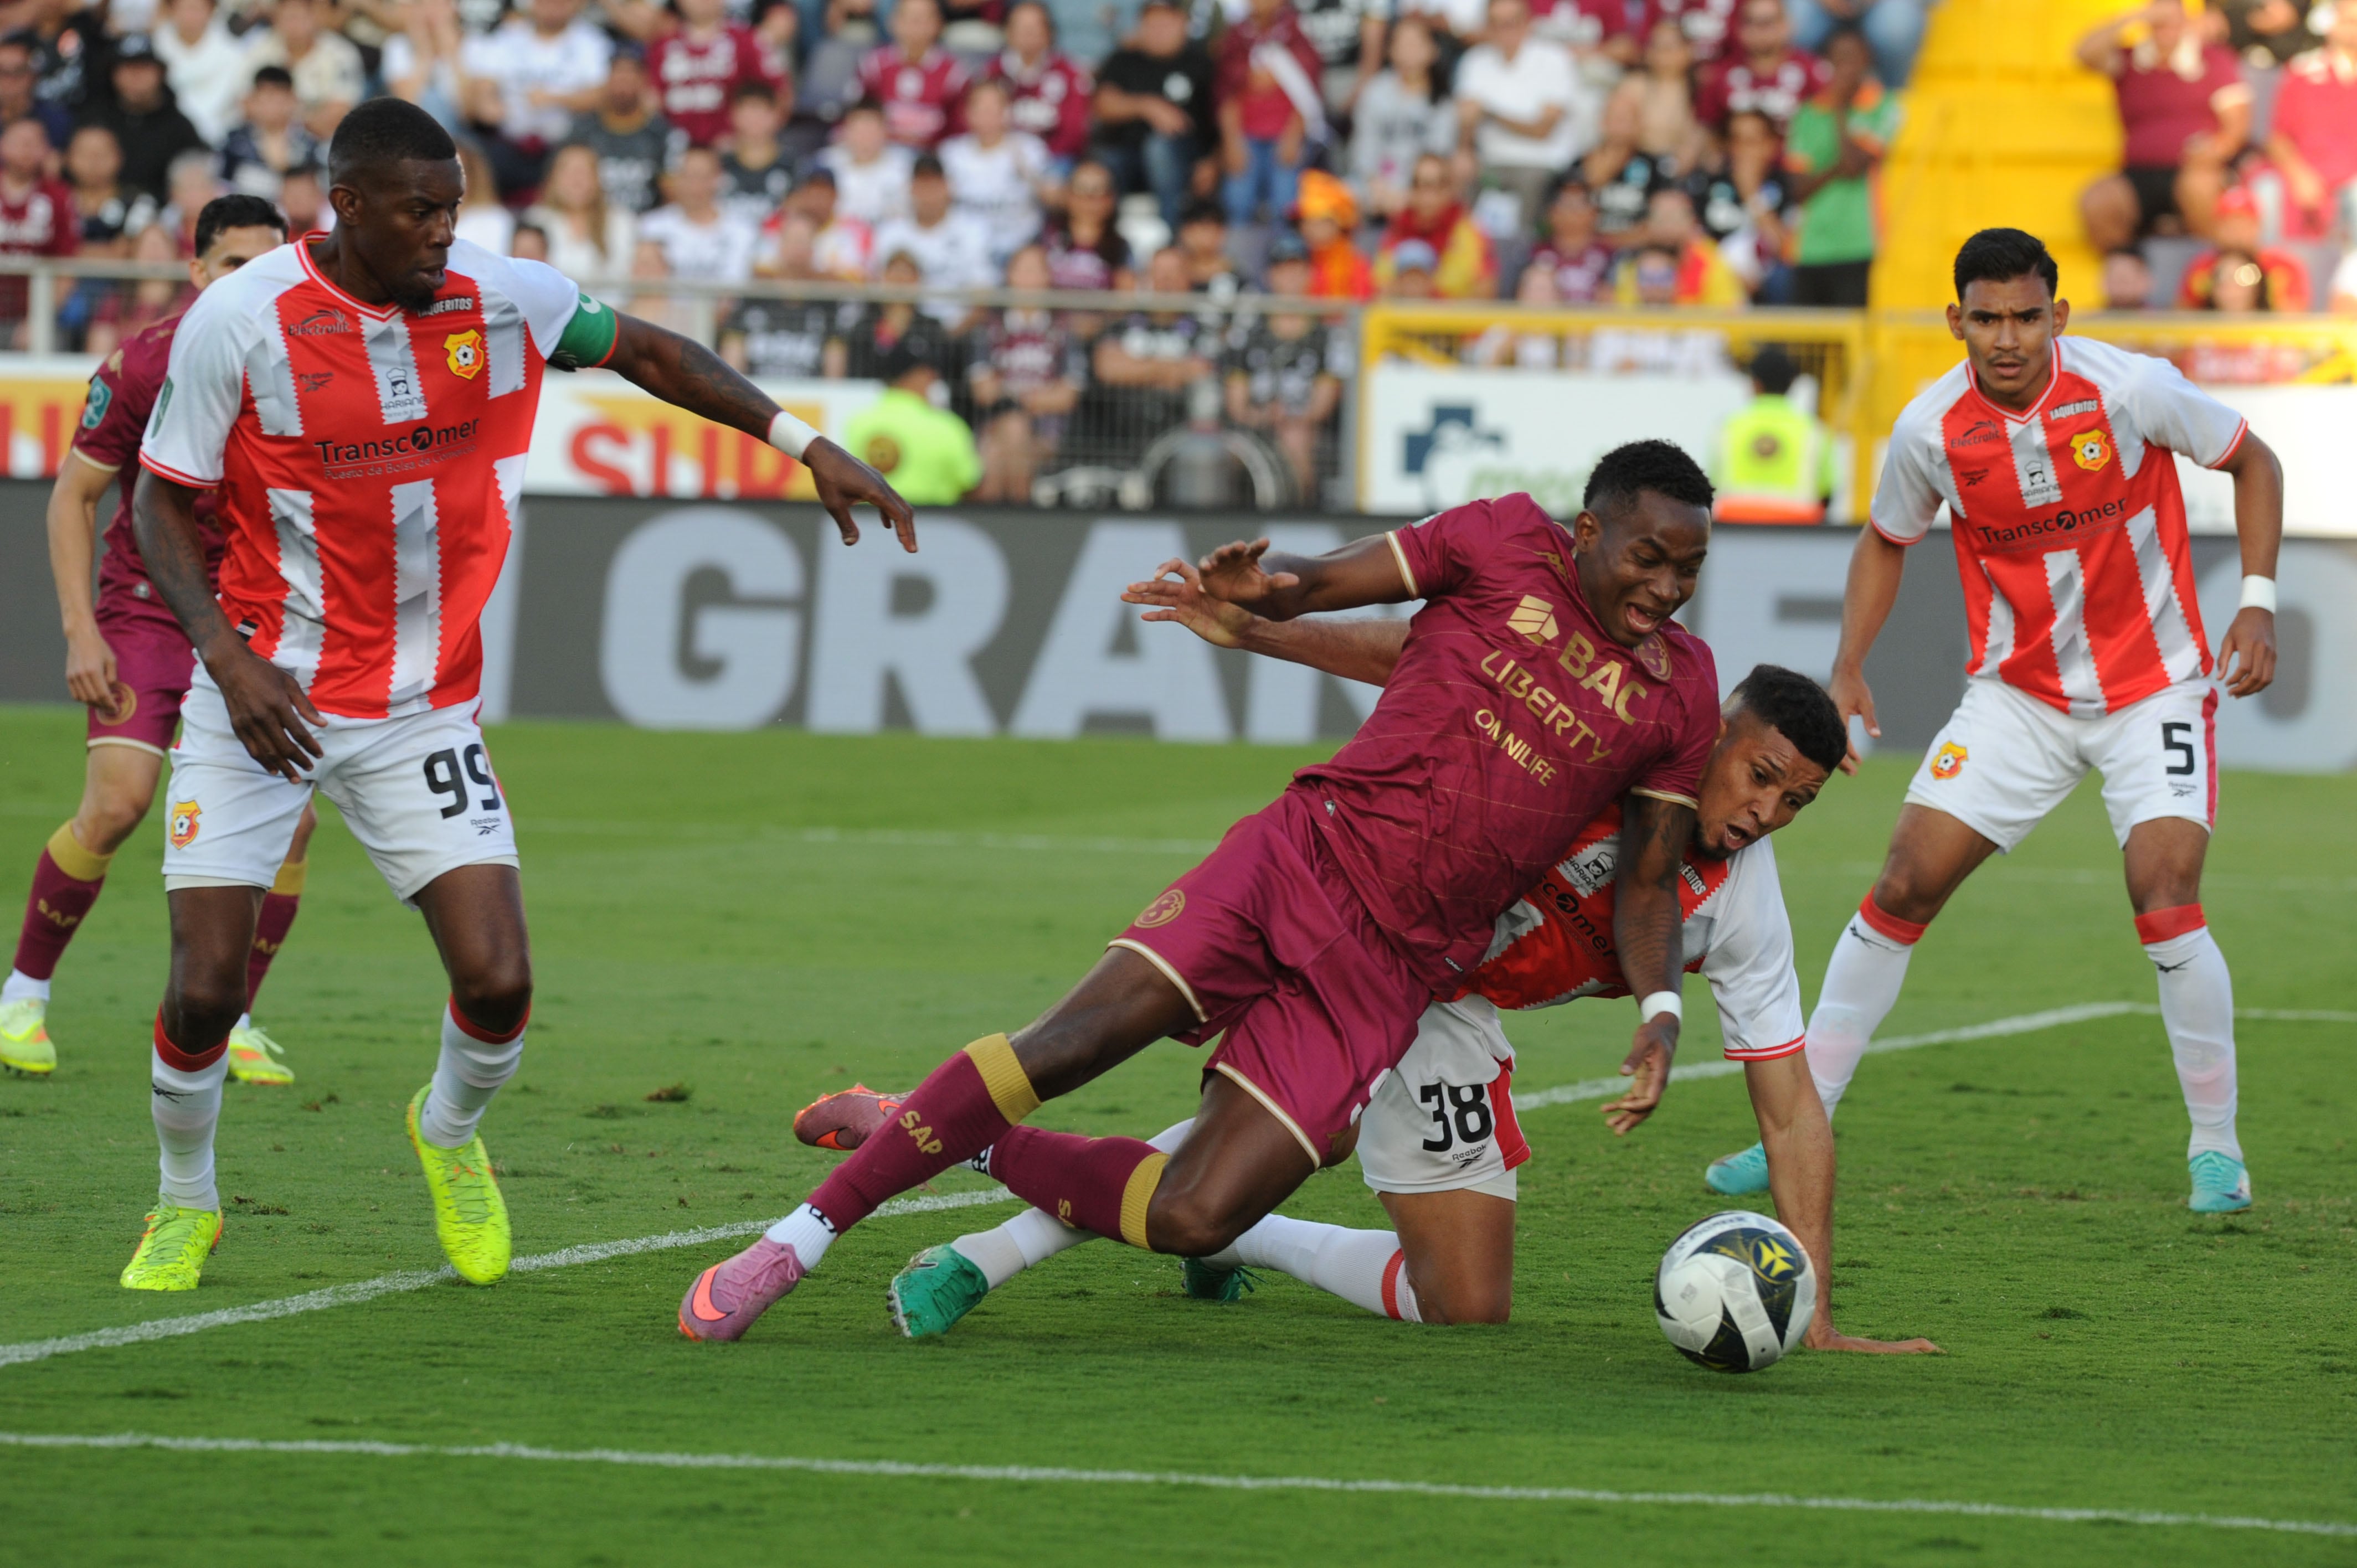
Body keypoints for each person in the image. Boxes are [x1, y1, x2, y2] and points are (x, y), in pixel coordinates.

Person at [118, 96, 913, 1293]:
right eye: (418, 210)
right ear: (347, 206)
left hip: (419, 703)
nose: (443, 231)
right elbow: (157, 500)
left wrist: (803, 442)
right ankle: (186, 1202)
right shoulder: (242, 320)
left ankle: (444, 1138)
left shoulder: (500, 295)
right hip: (260, 694)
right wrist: (226, 665)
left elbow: (650, 352)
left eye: (453, 207)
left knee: (498, 982)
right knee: (204, 990)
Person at [675, 440, 1723, 1342]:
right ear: (1587, 528)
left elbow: (1644, 879)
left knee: (1195, 1215)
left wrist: (1662, 1014)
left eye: (1689, 569)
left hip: (1392, 970)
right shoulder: (1498, 538)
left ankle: (949, 1128)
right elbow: (1324, 577)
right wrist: (1268, 589)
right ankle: (793, 1244)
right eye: (1651, 557)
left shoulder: (1680, 690)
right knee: (1071, 1043)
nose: (1668, 587)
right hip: (1297, 861)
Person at [846, 656, 1931, 1355]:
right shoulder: (1592, 767)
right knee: (1242, 1160)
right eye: (1756, 776)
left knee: (1458, 1302)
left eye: (1795, 801)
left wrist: (1818, 1305)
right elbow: (1432, 671)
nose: (1765, 811)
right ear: (1711, 743)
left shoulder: (1740, 906)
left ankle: (1221, 1238)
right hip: (1360, 941)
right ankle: (965, 1183)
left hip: (1446, 1009)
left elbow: (1788, 1107)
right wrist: (1269, 624)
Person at [1702, 228, 2283, 1218]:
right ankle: (1804, 1118)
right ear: (1956, 321)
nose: (2006, 338)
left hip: (2157, 685)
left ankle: (2216, 1150)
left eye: (2025, 317)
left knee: (2164, 890)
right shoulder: (1929, 428)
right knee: (1902, 880)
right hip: (2019, 697)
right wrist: (1848, 666)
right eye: (1986, 319)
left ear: (2058, 315)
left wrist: (2259, 599)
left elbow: (2253, 459)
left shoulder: (2130, 390)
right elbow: (1886, 541)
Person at [4, 199, 305, 1085]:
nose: (257, 284)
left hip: (252, 618)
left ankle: (235, 1020)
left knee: (290, 830)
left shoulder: (308, 362)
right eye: (236, 266)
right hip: (147, 607)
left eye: (272, 265)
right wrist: (79, 631)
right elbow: (74, 497)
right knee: (120, 803)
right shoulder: (143, 362)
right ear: (199, 274)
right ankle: (24, 992)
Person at [2076, 0, 2249, 250]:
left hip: (2194, 169)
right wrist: (2135, 17)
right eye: (2159, 23)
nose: (2166, 29)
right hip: (2139, 174)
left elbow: (2236, 127)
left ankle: (2211, 265)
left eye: (2172, 23)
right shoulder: (2131, 60)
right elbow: (2084, 53)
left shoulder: (2213, 59)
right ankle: (2127, 267)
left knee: (2200, 188)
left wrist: (2212, 152)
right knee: (2097, 202)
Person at [1780, 24, 1898, 307]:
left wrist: (1839, 109)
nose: (1846, 67)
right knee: (1809, 345)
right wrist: (1835, 169)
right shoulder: (1807, 114)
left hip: (1857, 243)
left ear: (1867, 60)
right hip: (1810, 247)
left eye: (1853, 58)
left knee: (1850, 338)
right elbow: (1798, 188)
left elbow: (1854, 166)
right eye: (1839, 59)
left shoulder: (1883, 107)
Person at [1223, 233, 1344, 501]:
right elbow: (1236, 402)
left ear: (1308, 274)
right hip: (1253, 423)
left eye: (1296, 268)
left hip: (1304, 428)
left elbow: (1322, 406)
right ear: (1269, 276)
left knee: (1295, 439)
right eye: (1281, 269)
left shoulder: (1327, 336)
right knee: (1227, 449)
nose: (1289, 276)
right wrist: (1262, 416)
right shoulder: (1247, 333)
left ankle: (1301, 513)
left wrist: (1290, 417)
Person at [1454, 0, 1591, 231]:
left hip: (1541, 163)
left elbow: (1542, 131)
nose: (1505, 31)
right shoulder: (1476, 60)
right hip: (1489, 164)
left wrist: (1489, 113)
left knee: (1523, 216)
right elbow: (1466, 117)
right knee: (1456, 180)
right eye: (1497, 24)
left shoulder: (1554, 59)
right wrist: (1465, 150)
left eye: (1511, 23)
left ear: (1528, 23)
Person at [966, 242, 1083, 501]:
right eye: (1023, 270)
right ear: (1010, 276)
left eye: (1035, 270)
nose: (1029, 278)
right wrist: (1040, 395)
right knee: (1006, 439)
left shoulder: (1062, 329)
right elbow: (983, 391)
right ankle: (1020, 513)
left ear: (1047, 278)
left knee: (1007, 438)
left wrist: (1009, 393)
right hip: (994, 429)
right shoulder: (990, 328)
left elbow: (1067, 396)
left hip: (1046, 434)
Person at [1090, 0, 1217, 228]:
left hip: (1182, 158)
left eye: (1165, 22)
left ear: (1182, 24)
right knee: (1099, 165)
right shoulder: (1124, 59)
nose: (1159, 30)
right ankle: (1105, 242)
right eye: (1152, 23)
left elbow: (1219, 119)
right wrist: (1147, 106)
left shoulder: (1201, 63)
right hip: (1128, 155)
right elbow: (1103, 104)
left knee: (1158, 148)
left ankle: (1172, 235)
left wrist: (1212, 161)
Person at [456, 0, 611, 183]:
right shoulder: (509, 36)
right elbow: (485, 84)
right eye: (544, 3)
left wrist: (555, 99)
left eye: (559, 4)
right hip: (510, 141)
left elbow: (601, 95)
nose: (552, 8)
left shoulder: (591, 41)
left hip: (565, 143)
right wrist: (489, 103)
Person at [1214, 0, 1322, 226]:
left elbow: (1308, 93)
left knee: (1286, 200)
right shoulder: (1236, 37)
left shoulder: (1297, 32)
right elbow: (1225, 94)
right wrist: (1232, 142)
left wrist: (1294, 137)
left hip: (1286, 135)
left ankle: (1285, 256)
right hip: (1245, 136)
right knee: (1237, 197)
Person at [2260, 3, 2357, 241]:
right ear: (2332, 26)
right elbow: (2277, 137)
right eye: (2348, 21)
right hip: (2308, 174)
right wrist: (2298, 174)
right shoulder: (2302, 71)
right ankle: (2279, 271)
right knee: (2267, 190)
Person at [841, 340, 981, 503]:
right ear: (917, 376)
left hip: (871, 525)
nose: (935, 379)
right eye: (930, 373)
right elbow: (972, 485)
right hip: (935, 524)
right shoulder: (948, 427)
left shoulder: (857, 423)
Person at [1348, 14, 1457, 219]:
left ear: (1433, 51)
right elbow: (1365, 146)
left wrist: (1408, 194)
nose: (1410, 51)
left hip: (1421, 188)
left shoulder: (1442, 99)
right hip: (1376, 184)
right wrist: (1376, 184)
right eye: (1403, 43)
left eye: (1416, 43)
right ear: (1390, 50)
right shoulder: (1375, 92)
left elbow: (1439, 154)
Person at [721, 210, 853, 377]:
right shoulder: (754, 297)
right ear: (780, 244)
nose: (798, 248)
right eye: (793, 241)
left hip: (810, 399)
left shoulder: (826, 303)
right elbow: (733, 354)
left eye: (804, 242)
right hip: (756, 394)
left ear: (813, 248)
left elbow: (835, 365)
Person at [1712, 345, 1835, 523]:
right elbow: (1827, 492)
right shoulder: (1815, 431)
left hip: (1736, 528)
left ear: (1755, 383)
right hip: (1797, 530)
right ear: (1792, 383)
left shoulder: (1727, 428)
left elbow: (1711, 484)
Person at [939, 75, 1054, 265]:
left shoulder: (1031, 149)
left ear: (1008, 111)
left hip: (1019, 250)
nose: (988, 117)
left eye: (994, 109)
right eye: (981, 109)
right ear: (967, 113)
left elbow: (1054, 200)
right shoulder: (950, 154)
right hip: (965, 252)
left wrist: (1030, 175)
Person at [871, 152, 996, 324]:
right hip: (905, 333)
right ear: (911, 188)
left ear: (948, 187)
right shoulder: (890, 233)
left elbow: (983, 295)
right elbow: (879, 291)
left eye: (934, 185)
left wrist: (947, 339)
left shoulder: (973, 230)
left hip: (958, 334)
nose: (928, 194)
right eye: (922, 185)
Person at [85, 34, 212, 204]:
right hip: (97, 209)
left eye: (143, 68)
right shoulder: (95, 118)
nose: (135, 76)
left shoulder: (179, 127)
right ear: (113, 74)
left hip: (160, 216)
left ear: (160, 73)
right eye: (127, 68)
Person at [646, 0, 781, 148]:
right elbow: (650, 102)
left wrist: (748, 142)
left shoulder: (748, 42)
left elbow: (779, 95)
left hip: (733, 155)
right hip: (674, 153)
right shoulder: (661, 47)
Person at [1698, 0, 1831, 148]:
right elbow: (1706, 131)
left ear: (1787, 25)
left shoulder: (1812, 71)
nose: (1760, 30)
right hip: (1737, 166)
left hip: (1796, 166)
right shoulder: (1722, 75)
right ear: (1740, 29)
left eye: (1768, 22)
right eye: (1752, 22)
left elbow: (1828, 127)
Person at [564, 48, 680, 215]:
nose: (623, 85)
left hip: (647, 224)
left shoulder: (663, 134)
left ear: (644, 81)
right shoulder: (582, 131)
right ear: (606, 80)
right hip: (595, 224)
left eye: (630, 77)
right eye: (618, 76)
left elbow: (674, 194)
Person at [1373, 151, 1496, 298]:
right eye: (1418, 185)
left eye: (1435, 187)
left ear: (1450, 190)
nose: (1427, 197)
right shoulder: (1396, 231)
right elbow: (1379, 288)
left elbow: (1485, 293)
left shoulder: (1471, 234)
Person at [241, 0, 366, 140]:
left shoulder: (341, 54)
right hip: (262, 138)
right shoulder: (258, 49)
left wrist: (292, 127)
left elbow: (340, 111)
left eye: (300, 18)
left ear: (315, 17)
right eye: (288, 18)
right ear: (275, 18)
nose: (294, 25)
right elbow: (245, 104)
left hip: (321, 141)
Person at [988, 2, 1092, 169]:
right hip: (1000, 158)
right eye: (1022, 27)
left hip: (1053, 160)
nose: (1029, 33)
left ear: (1049, 32)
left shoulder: (1069, 73)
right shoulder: (993, 73)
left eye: (1035, 27)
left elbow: (1075, 131)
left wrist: (1041, 160)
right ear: (1008, 31)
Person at [639, 142, 761, 283]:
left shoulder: (743, 230)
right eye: (687, 176)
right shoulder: (651, 227)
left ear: (719, 179)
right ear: (675, 179)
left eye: (703, 177)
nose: (695, 185)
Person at [0, 118, 77, 342]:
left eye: (34, 143)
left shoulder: (59, 196)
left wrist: (38, 320)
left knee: (50, 340)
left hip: (33, 314)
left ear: (47, 151)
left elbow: (66, 269)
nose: (26, 149)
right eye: (19, 142)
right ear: (3, 145)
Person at [2172, 185, 2310, 310]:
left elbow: (2292, 322)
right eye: (2230, 225)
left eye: (2244, 224)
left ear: (2258, 226)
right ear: (2217, 229)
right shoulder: (2202, 268)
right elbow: (2183, 319)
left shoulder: (2283, 268)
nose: (2237, 233)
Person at [523, 140, 639, 289]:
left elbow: (630, 278)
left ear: (598, 179)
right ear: (553, 178)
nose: (576, 180)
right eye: (568, 172)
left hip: (609, 309)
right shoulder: (536, 221)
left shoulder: (621, 221)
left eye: (584, 172)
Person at [856, 0, 968, 149]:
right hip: (881, 155)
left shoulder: (953, 72)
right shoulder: (873, 65)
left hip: (932, 158)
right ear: (893, 22)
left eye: (923, 18)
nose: (916, 25)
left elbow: (959, 127)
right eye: (910, 18)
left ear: (939, 24)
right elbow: (855, 114)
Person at [1614, 186, 1746, 305]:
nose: (1667, 227)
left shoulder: (1710, 259)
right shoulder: (1635, 259)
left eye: (1673, 219)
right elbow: (1622, 309)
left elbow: (1730, 310)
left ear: (1692, 222)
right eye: (1660, 219)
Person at [218, 66, 327, 203]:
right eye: (266, 99)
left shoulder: (311, 144)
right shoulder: (234, 144)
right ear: (252, 101)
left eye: (279, 100)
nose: (272, 107)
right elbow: (221, 186)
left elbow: (321, 189)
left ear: (293, 101)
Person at [153, 0, 249, 146]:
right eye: (185, 8)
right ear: (171, 10)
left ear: (211, 11)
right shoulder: (154, 49)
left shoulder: (233, 52)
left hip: (218, 137)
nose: (190, 15)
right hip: (163, 134)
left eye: (197, 9)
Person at [717, 79, 801, 231]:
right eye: (749, 111)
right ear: (733, 114)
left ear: (778, 115)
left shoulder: (793, 165)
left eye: (762, 111)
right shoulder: (719, 164)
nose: (755, 119)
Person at [1040, 156, 1134, 291]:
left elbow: (1124, 301)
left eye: (1099, 192)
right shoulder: (1048, 239)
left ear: (1111, 200)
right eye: (1082, 191)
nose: (1089, 200)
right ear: (1068, 195)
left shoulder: (1121, 249)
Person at [819, 98, 916, 226]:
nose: (864, 138)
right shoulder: (826, 165)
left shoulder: (906, 168)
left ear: (885, 131)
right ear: (846, 132)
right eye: (859, 131)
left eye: (871, 131)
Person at [1294, 166, 1372, 298]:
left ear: (1338, 224)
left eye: (1320, 221)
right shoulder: (1295, 260)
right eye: (1307, 220)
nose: (1311, 228)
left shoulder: (1356, 265)